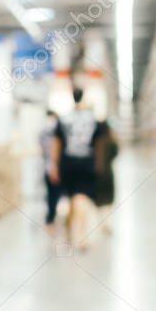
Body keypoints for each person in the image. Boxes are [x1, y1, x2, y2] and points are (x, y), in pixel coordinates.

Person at [48, 87, 107, 249]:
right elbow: (99, 144)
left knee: (69, 198)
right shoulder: (93, 120)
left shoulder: (64, 119)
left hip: (67, 163)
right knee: (82, 198)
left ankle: (68, 232)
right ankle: (80, 237)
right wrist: (99, 165)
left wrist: (53, 165)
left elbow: (57, 143)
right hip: (86, 163)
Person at [40, 110, 62, 234]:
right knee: (53, 195)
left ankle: (51, 217)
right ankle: (50, 218)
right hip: (53, 168)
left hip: (49, 167)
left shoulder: (43, 132)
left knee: (52, 195)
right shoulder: (53, 132)